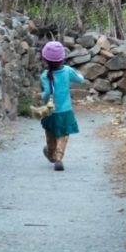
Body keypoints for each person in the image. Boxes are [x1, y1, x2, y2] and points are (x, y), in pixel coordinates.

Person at [39, 40, 83, 171]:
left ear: (45, 60)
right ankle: (58, 158)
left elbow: (47, 93)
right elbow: (80, 80)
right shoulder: (68, 71)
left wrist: (42, 98)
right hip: (65, 111)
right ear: (62, 59)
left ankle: (50, 152)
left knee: (51, 135)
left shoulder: (44, 76)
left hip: (50, 111)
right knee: (63, 135)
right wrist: (79, 74)